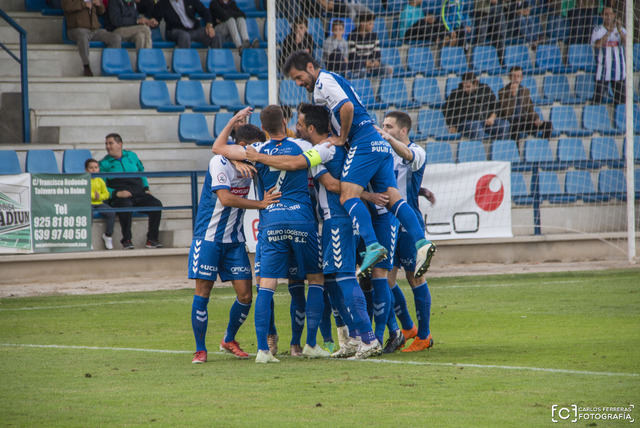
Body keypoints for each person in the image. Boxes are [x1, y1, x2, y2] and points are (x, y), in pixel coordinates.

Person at [245, 103, 389, 359]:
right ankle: (353, 338)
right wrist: (366, 194)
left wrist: (255, 158)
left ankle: (367, 338)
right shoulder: (338, 147)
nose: (297, 128)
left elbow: (330, 182)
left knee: (343, 279)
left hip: (336, 221)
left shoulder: (321, 151)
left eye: (300, 124)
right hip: (340, 220)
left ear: (311, 127)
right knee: (332, 281)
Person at [283, 50, 436, 285]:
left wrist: (342, 137)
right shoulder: (327, 83)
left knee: (347, 195)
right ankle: (421, 242)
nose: (298, 82)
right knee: (393, 197)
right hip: (378, 141)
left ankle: (373, 245)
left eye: (299, 76)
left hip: (362, 141)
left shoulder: (324, 82)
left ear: (311, 67)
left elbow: (346, 108)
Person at [212, 106, 328, 363]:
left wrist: (234, 122)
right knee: (315, 279)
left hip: (272, 221)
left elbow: (218, 148)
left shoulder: (255, 151)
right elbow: (325, 148)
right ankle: (309, 343)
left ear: (262, 128)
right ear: (285, 122)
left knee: (267, 284)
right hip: (302, 221)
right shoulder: (301, 145)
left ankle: (263, 350)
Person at [189, 124, 281, 364]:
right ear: (242, 147)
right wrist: (261, 204)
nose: (256, 152)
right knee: (203, 293)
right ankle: (200, 349)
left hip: (234, 241)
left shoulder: (250, 164)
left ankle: (229, 339)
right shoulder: (218, 163)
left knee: (245, 295)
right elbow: (226, 198)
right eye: (253, 148)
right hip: (208, 239)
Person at [376, 111, 435, 353]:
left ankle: (424, 335)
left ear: (403, 130)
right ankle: (408, 326)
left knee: (415, 278)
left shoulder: (417, 151)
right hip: (388, 223)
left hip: (408, 226)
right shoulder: (383, 151)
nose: (384, 128)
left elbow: (408, 157)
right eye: (383, 125)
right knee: (386, 280)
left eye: (389, 126)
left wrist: (388, 139)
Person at [99, 133, 163, 249]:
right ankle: (126, 240)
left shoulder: (132, 156)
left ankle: (152, 239)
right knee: (125, 205)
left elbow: (141, 171)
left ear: (120, 144)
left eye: (110, 143)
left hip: (137, 191)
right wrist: (116, 193)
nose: (107, 146)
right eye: (106, 144)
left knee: (156, 205)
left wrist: (146, 188)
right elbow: (101, 186)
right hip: (119, 193)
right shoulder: (103, 163)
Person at [444, 71, 510, 141]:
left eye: (468, 87)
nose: (465, 89)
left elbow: (495, 105)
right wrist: (453, 125)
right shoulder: (456, 93)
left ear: (475, 83)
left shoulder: (485, 89)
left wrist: (492, 117)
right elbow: (448, 110)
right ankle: (479, 150)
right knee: (477, 127)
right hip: (468, 123)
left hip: (487, 121)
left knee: (505, 125)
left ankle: (498, 148)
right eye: (464, 86)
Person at [62, 0, 122, 76]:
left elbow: (102, 11)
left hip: (94, 30)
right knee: (82, 36)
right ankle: (86, 66)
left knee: (115, 38)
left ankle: (112, 66)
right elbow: (67, 6)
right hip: (76, 29)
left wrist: (99, 4)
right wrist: (84, 4)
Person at [498, 66, 552, 141]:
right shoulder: (502, 92)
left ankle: (543, 145)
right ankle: (516, 151)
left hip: (524, 120)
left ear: (521, 78)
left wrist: (536, 119)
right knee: (515, 124)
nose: (516, 78)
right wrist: (512, 95)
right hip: (511, 121)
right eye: (514, 76)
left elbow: (530, 109)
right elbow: (506, 112)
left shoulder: (525, 91)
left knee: (548, 125)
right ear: (509, 77)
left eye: (518, 76)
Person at [591, 7, 626, 105]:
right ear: (602, 16)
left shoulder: (621, 30)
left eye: (611, 14)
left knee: (621, 100)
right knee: (598, 99)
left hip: (618, 70)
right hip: (603, 69)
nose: (608, 17)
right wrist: (609, 32)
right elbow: (597, 45)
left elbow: (627, 43)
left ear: (614, 15)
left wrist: (619, 30)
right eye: (606, 14)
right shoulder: (597, 30)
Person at [153, 0, 221, 49]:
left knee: (215, 36)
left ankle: (218, 65)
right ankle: (184, 65)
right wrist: (153, 22)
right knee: (184, 36)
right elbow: (155, 19)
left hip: (194, 30)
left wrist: (209, 25)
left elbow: (205, 12)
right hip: (174, 31)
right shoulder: (162, 3)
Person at [348, 11, 390, 77]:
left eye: (373, 24)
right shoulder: (352, 36)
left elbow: (377, 53)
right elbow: (353, 56)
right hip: (358, 65)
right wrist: (364, 63)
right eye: (370, 24)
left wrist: (375, 61)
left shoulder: (374, 36)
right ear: (362, 23)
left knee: (387, 69)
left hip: (371, 64)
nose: (372, 26)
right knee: (361, 71)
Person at [86, 158, 116, 250]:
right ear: (86, 170)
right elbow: (83, 192)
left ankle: (108, 235)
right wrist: (93, 196)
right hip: (88, 203)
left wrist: (100, 197)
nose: (94, 169)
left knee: (111, 212)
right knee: (88, 214)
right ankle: (87, 239)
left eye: (96, 167)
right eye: (91, 168)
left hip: (99, 202)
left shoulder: (100, 180)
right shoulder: (85, 180)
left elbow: (106, 194)